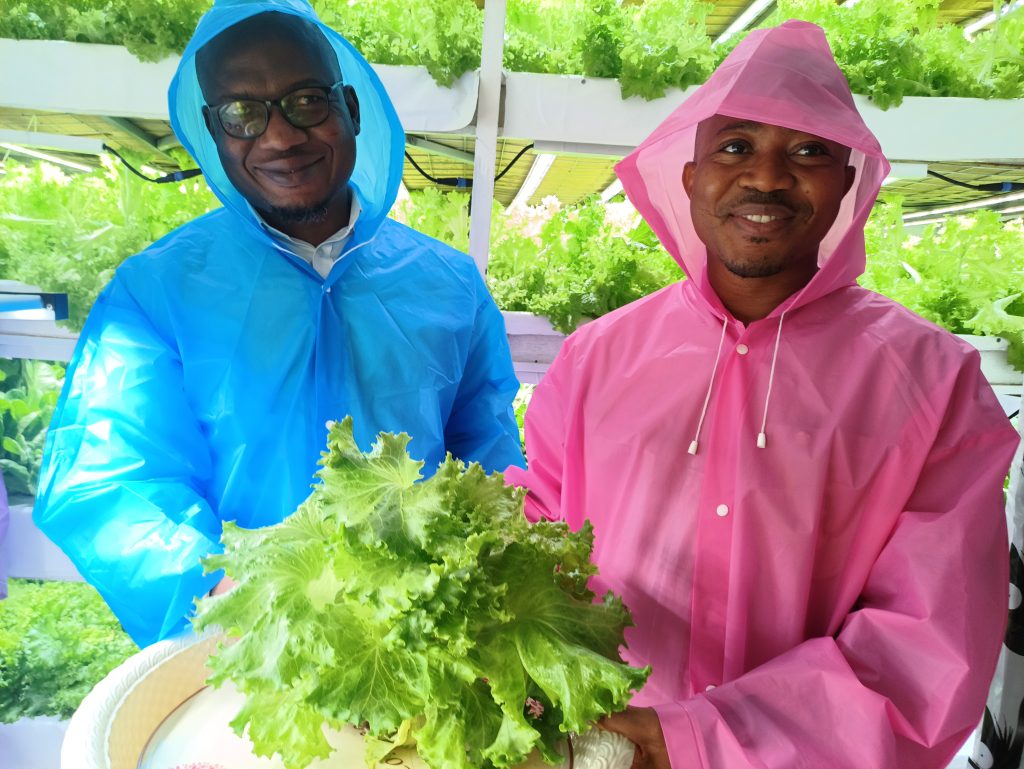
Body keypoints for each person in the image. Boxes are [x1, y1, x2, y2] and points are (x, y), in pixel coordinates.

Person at [506, 20, 1020, 769]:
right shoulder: (595, 359)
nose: (769, 176)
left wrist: (696, 741)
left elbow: (929, 644)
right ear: (691, 177)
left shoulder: (933, 383)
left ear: (848, 181)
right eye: (736, 146)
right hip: (603, 749)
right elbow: (536, 550)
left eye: (808, 150)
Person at [34, 0, 524, 648]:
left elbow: (489, 463)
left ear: (350, 107)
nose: (279, 136)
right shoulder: (157, 294)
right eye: (242, 112)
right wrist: (221, 592)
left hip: (414, 647)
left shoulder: (448, 286)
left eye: (305, 101)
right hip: (238, 653)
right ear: (213, 132)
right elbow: (110, 478)